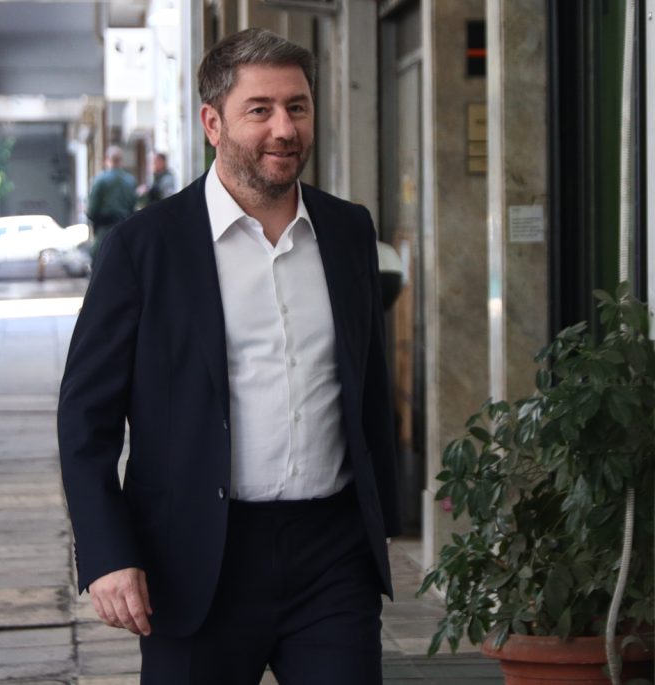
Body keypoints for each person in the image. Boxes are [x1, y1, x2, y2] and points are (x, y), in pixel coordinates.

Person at [58, 28, 399, 685]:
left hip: (332, 557)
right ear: (212, 123)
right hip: (194, 557)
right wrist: (107, 553)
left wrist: (380, 518)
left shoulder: (347, 229)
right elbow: (84, 418)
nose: (284, 129)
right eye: (260, 110)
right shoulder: (143, 248)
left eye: (297, 107)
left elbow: (367, 383)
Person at [85, 145, 136, 261]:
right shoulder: (130, 180)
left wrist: (94, 221)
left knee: (100, 260)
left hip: (105, 229)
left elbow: (92, 209)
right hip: (126, 227)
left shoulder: (100, 180)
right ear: (121, 160)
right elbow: (133, 204)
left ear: (107, 159)